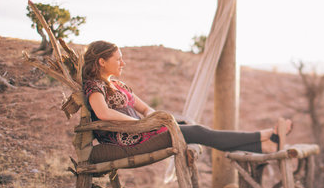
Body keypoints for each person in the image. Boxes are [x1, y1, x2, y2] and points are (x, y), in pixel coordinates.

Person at [82, 40, 291, 164]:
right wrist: (140, 125)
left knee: (193, 129)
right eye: (118, 59)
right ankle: (265, 136)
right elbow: (103, 114)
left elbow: (144, 107)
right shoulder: (94, 85)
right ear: (102, 61)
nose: (123, 63)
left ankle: (266, 146)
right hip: (132, 140)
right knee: (200, 132)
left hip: (145, 131)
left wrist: (152, 118)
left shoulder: (118, 85)